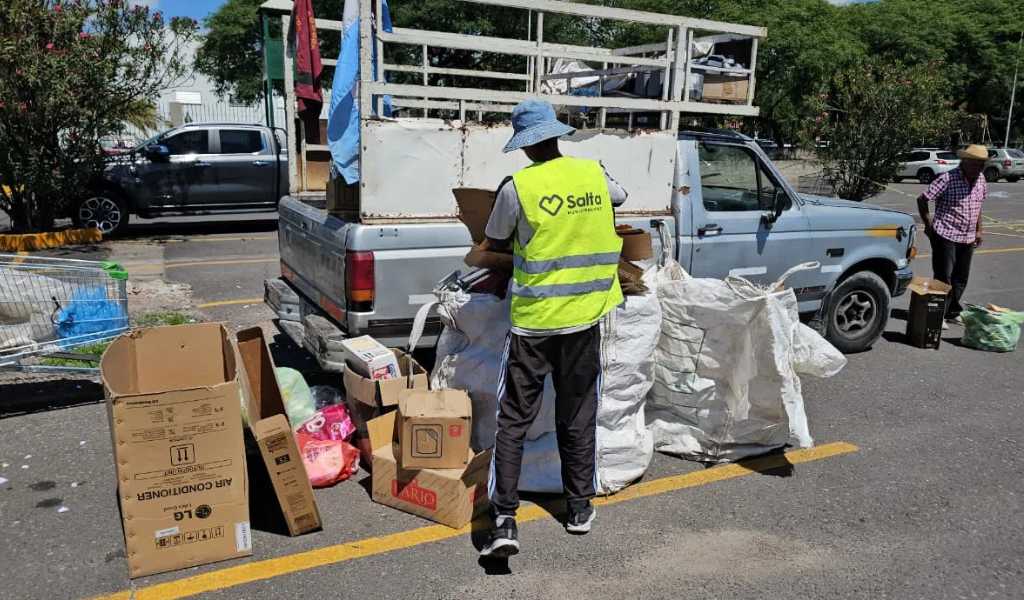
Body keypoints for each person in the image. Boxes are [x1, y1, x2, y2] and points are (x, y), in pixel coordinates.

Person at [478, 99, 627, 558]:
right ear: (556, 136)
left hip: (535, 325)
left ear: (524, 147)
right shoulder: (594, 174)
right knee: (578, 413)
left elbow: (495, 237)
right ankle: (578, 508)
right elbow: (619, 198)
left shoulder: (516, 187)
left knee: (514, 420)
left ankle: (504, 520)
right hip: (586, 319)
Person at [916, 144, 988, 329]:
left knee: (961, 277)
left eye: (981, 164)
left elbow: (978, 206)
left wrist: (979, 230)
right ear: (964, 162)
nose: (978, 168)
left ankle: (952, 311)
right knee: (943, 276)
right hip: (945, 233)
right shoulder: (947, 178)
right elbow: (922, 199)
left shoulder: (981, 179)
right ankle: (937, 313)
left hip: (968, 237)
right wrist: (928, 224)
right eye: (974, 164)